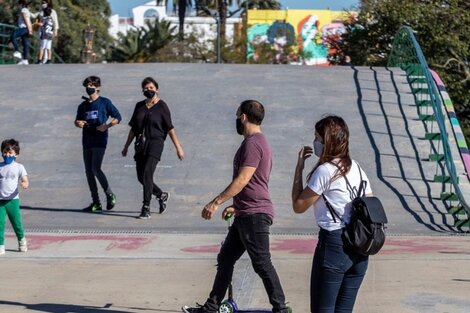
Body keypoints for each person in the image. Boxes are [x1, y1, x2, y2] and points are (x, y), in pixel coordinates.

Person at [182, 100, 290, 313]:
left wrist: (216, 202)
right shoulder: (258, 142)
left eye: (237, 115)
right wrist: (236, 206)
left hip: (255, 214)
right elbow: (253, 182)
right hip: (245, 212)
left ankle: (280, 308)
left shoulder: (253, 143)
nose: (236, 119)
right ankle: (211, 307)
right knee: (226, 259)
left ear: (243, 117)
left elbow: (243, 179)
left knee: (261, 262)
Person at [291, 115, 372, 313]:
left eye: (317, 138)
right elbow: (370, 200)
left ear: (327, 141)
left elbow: (298, 206)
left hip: (334, 245)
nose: (315, 143)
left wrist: (299, 168)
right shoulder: (357, 168)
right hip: (360, 247)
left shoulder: (325, 171)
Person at [122, 77, 184, 219]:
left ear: (156, 89)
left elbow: (170, 128)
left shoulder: (162, 106)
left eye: (151, 87)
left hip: (156, 143)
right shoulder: (139, 106)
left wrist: (178, 148)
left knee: (147, 173)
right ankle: (161, 195)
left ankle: (146, 207)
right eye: (146, 88)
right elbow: (133, 128)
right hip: (140, 144)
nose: (148, 90)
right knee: (141, 177)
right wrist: (126, 146)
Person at [75, 76, 122, 213]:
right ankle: (96, 202)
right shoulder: (83, 105)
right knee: (89, 172)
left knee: (96, 168)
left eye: (91, 85)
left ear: (98, 87)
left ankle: (109, 194)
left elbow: (118, 117)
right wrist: (79, 123)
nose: (89, 87)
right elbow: (77, 121)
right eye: (87, 85)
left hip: (100, 140)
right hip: (87, 140)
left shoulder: (105, 102)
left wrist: (106, 126)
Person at [0, 139, 29, 255]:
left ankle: (22, 241)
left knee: (16, 223)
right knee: (0, 223)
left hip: (13, 200)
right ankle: (1, 245)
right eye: (5, 152)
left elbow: (25, 179)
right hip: (0, 201)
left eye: (10, 153)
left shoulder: (19, 167)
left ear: (16, 154)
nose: (7, 155)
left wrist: (24, 184)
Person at [9, 0, 33, 65]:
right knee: (25, 44)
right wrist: (30, 30)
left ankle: (17, 51)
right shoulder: (27, 10)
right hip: (27, 29)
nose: (18, 6)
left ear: (21, 4)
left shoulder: (23, 10)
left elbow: (26, 20)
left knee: (13, 35)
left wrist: (29, 30)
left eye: (19, 4)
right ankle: (25, 60)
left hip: (24, 28)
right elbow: (29, 21)